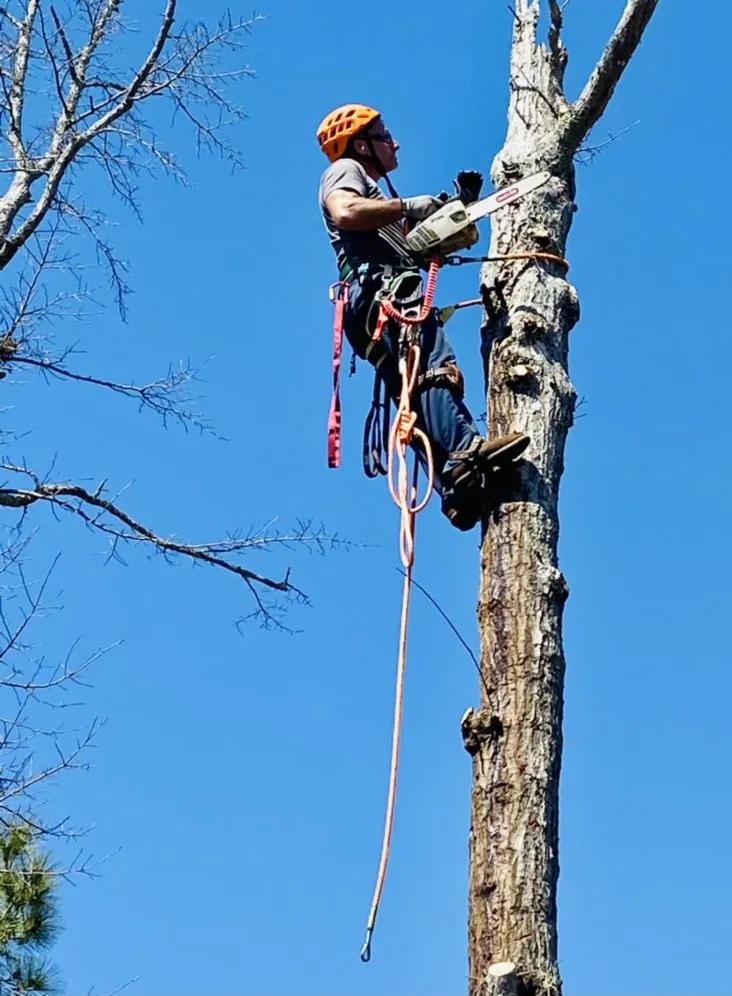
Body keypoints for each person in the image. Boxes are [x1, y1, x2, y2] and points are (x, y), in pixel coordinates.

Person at [317, 103, 530, 531]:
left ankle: (454, 483)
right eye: (384, 135)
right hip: (383, 292)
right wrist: (407, 205)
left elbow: (412, 243)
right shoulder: (346, 171)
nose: (394, 143)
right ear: (362, 144)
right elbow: (345, 212)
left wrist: (456, 209)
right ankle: (465, 449)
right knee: (432, 367)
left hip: (371, 300)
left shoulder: (376, 198)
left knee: (411, 390)